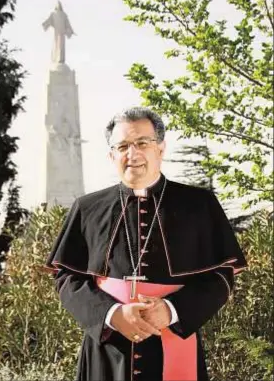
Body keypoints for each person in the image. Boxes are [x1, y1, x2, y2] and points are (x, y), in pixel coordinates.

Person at [46, 107, 247, 381]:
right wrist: (111, 313)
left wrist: (172, 310)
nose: (133, 153)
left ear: (160, 149)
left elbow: (221, 277)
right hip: (107, 348)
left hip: (175, 336)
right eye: (123, 146)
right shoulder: (87, 208)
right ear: (111, 154)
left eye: (142, 143)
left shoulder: (199, 205)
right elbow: (67, 278)